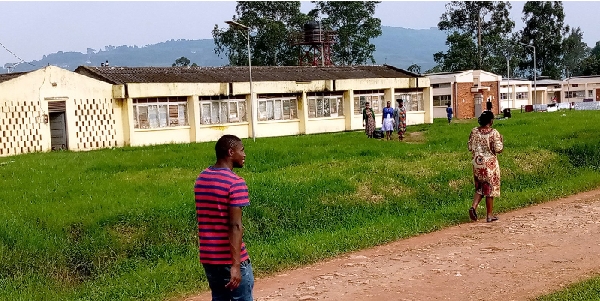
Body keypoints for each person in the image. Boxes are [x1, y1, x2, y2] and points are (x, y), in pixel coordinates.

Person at [195, 135, 254, 301]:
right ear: (230, 152)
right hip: (231, 261)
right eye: (241, 150)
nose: (244, 154)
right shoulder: (235, 183)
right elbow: (235, 226)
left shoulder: (201, 178)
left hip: (210, 260)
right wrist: (235, 266)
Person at [467, 111, 504, 223]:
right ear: (490, 121)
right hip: (490, 165)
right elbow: (498, 149)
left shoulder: (474, 131)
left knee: (480, 187)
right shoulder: (494, 133)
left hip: (477, 163)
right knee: (490, 189)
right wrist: (501, 141)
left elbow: (469, 147)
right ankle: (489, 215)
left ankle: (473, 207)